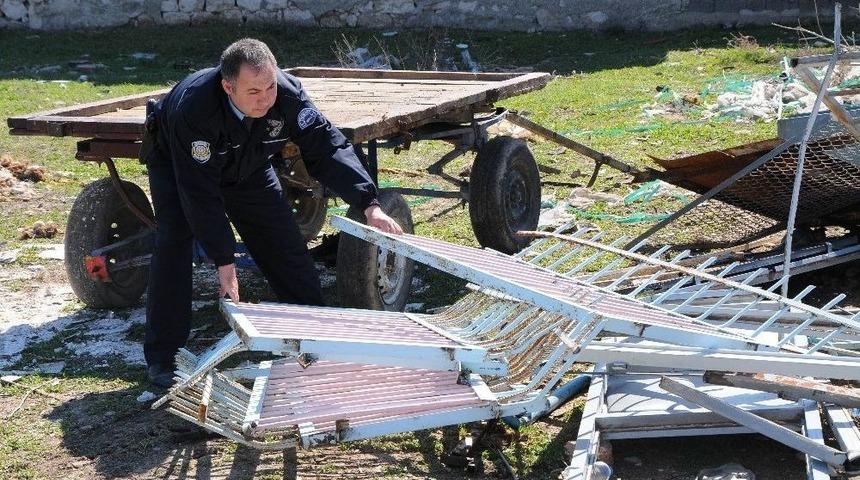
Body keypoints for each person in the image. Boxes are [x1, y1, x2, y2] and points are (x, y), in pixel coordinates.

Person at [142, 38, 402, 387]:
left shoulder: (287, 93)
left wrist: (369, 205)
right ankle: (164, 357)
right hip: (182, 168)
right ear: (228, 86)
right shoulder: (196, 108)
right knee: (174, 243)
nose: (266, 98)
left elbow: (327, 146)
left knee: (283, 243)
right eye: (254, 91)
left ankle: (313, 337)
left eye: (269, 87)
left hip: (248, 164)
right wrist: (224, 261)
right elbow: (200, 195)